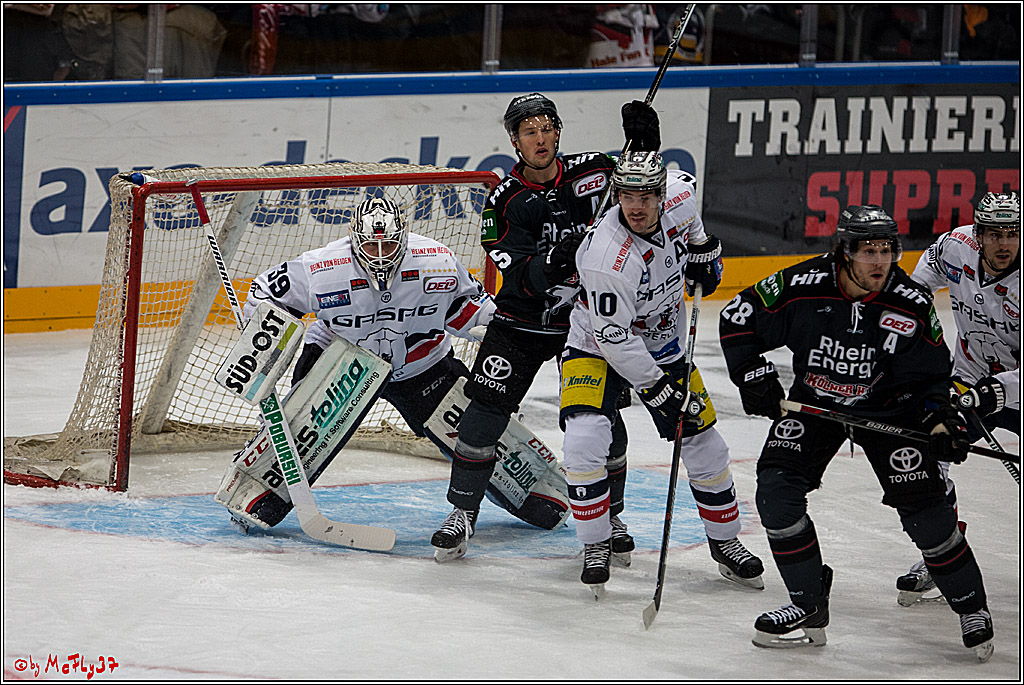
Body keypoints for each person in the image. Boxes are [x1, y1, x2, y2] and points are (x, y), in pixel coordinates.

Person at [719, 205, 995, 660]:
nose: (880, 262)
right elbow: (737, 319)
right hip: (815, 405)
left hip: (892, 410)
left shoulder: (910, 300)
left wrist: (941, 420)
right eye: (868, 251)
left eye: (887, 250)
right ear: (843, 252)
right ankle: (807, 605)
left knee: (927, 515)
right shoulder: (800, 285)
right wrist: (752, 376)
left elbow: (932, 376)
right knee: (775, 493)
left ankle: (971, 606)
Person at [215, 195, 564, 535]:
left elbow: (469, 310)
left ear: (404, 236)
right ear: (354, 239)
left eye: (389, 246)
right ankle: (252, 488)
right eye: (371, 247)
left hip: (422, 364)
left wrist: (509, 334)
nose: (380, 256)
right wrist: (264, 344)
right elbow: (265, 294)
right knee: (301, 433)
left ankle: (535, 483)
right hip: (341, 360)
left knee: (474, 427)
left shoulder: (436, 260)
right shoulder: (321, 268)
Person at [430, 92, 661, 561]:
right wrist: (555, 260)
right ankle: (462, 513)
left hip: (586, 324)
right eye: (528, 131)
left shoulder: (595, 170)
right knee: (483, 415)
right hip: (520, 324)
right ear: (514, 141)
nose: (540, 137)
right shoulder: (503, 200)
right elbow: (512, 276)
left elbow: (644, 188)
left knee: (603, 419)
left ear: (558, 131)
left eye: (546, 127)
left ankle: (611, 515)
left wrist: (645, 142)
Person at [561, 150, 764, 592]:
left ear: (661, 193)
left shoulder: (682, 197)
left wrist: (706, 257)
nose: (636, 206)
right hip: (596, 345)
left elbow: (697, 241)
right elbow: (614, 337)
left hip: (666, 339)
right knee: (585, 439)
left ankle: (725, 542)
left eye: (646, 195)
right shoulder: (604, 256)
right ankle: (597, 543)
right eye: (627, 195)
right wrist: (655, 389)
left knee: (704, 442)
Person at [893, 191, 1020, 605]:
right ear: (978, 234)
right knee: (930, 451)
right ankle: (943, 552)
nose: (1005, 244)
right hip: (969, 379)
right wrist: (909, 323)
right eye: (995, 234)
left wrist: (999, 391)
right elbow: (919, 281)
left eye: (1014, 233)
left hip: (1012, 389)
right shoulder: (956, 245)